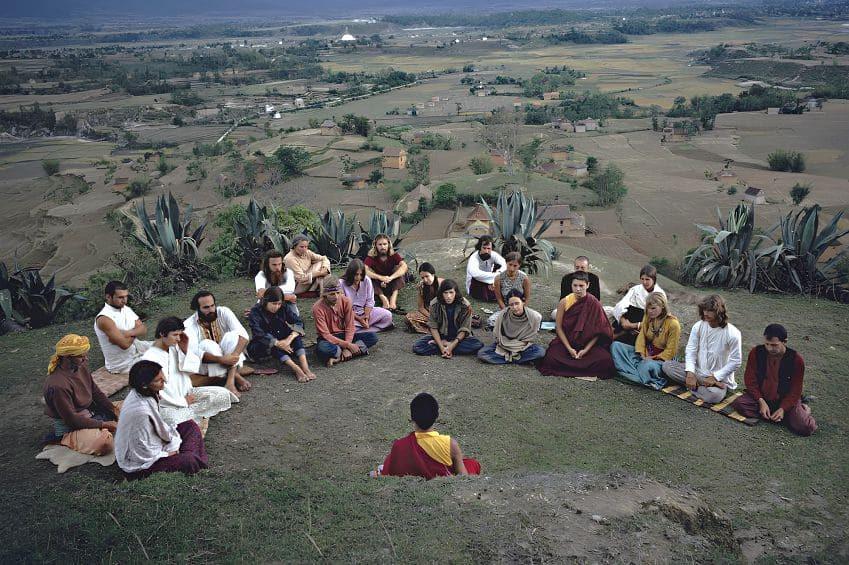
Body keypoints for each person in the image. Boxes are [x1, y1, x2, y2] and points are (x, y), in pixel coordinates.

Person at [115, 360, 208, 479]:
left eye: (162, 376)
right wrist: (168, 453)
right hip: (140, 466)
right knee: (188, 460)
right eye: (159, 380)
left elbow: (158, 427)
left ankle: (190, 457)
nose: (164, 381)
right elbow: (141, 453)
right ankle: (191, 460)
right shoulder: (140, 412)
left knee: (190, 425)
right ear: (144, 385)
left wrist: (171, 444)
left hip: (154, 445)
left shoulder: (144, 393)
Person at [141, 317, 236, 426]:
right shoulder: (149, 358)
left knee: (222, 394)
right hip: (167, 404)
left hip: (188, 393)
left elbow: (192, 369)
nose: (178, 339)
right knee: (173, 419)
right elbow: (157, 390)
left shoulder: (174, 348)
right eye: (175, 335)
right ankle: (188, 413)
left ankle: (190, 412)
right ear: (162, 334)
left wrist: (185, 349)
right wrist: (182, 402)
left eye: (180, 335)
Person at [732, 324, 817, 436]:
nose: (769, 348)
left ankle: (801, 411)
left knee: (806, 427)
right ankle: (778, 415)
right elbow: (750, 380)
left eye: (774, 345)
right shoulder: (756, 352)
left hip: (785, 400)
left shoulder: (796, 360)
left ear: (784, 341)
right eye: (767, 344)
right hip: (762, 398)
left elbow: (796, 390)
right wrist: (761, 401)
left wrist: (783, 408)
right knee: (739, 404)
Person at [42, 334, 118, 456]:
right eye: (81, 356)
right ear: (67, 358)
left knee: (129, 407)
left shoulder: (80, 366)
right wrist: (103, 424)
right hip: (73, 426)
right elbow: (72, 420)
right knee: (105, 444)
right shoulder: (57, 385)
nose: (85, 359)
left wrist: (114, 409)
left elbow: (96, 393)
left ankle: (100, 427)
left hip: (92, 413)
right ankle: (67, 439)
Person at [376, 392, 481, 479]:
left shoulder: (399, 445)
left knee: (391, 458)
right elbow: (463, 478)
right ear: (437, 417)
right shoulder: (450, 444)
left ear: (412, 418)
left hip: (411, 474)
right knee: (472, 463)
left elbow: (392, 470)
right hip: (441, 479)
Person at [661, 295, 742, 403]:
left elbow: (736, 361)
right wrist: (690, 373)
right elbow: (691, 351)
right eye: (704, 310)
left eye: (710, 310)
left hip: (717, 378)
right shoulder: (698, 326)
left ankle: (692, 385)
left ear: (719, 311)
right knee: (667, 366)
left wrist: (715, 378)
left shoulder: (732, 333)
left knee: (714, 396)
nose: (706, 313)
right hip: (696, 371)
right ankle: (695, 384)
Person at [537, 272, 615, 378]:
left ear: (587, 285)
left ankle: (574, 365)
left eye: (581, 286)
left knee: (606, 360)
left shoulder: (594, 302)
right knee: (551, 358)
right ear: (571, 286)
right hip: (566, 342)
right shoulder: (564, 302)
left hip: (587, 345)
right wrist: (569, 348)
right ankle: (582, 367)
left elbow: (599, 331)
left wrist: (585, 350)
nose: (578, 289)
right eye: (575, 285)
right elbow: (558, 327)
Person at [183, 291, 254, 398]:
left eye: (212, 305)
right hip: (206, 364)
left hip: (230, 357)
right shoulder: (188, 325)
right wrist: (221, 360)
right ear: (197, 309)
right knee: (207, 344)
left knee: (233, 336)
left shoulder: (223, 312)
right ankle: (236, 375)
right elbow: (195, 354)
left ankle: (229, 382)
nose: (211, 310)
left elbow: (244, 335)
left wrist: (232, 356)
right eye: (206, 307)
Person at [611, 292, 680, 390]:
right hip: (646, 353)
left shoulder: (673, 324)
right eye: (648, 308)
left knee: (647, 366)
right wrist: (643, 354)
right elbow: (641, 337)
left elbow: (671, 351)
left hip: (662, 359)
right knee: (616, 346)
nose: (650, 311)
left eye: (653, 308)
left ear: (663, 307)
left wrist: (652, 358)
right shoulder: (648, 317)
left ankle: (635, 372)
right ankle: (639, 372)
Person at [247, 288, 316, 383]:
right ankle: (296, 368)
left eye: (279, 304)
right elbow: (258, 333)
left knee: (296, 335)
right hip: (262, 344)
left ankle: (305, 367)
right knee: (271, 343)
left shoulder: (283, 307)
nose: (277, 307)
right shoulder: (255, 312)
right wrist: (278, 343)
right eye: (274, 304)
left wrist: (290, 338)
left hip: (282, 336)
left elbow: (298, 322)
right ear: (266, 301)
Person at [312, 276, 379, 367]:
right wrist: (348, 345)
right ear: (324, 294)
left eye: (338, 293)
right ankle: (356, 351)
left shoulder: (346, 301)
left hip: (345, 335)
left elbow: (350, 327)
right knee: (322, 348)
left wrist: (347, 347)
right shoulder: (317, 308)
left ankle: (339, 357)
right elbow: (325, 334)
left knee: (373, 336)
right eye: (332, 294)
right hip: (328, 339)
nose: (336, 297)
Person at [413, 279, 484, 357]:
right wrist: (441, 347)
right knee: (418, 347)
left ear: (455, 293)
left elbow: (465, 328)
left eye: (451, 292)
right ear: (441, 293)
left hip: (458, 337)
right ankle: (445, 348)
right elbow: (433, 327)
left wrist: (451, 345)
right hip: (442, 335)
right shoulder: (435, 304)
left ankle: (446, 346)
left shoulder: (465, 305)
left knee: (478, 345)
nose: (448, 296)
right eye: (445, 293)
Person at [94, 281, 152, 374]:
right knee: (165, 360)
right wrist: (136, 330)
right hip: (123, 364)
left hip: (137, 349)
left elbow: (143, 329)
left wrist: (127, 333)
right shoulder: (104, 319)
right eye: (120, 297)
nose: (125, 300)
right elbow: (125, 345)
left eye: (126, 296)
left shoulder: (125, 309)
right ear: (108, 297)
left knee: (169, 345)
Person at [478, 291, 546, 365]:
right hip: (504, 344)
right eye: (511, 305)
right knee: (482, 353)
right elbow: (498, 335)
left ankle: (507, 358)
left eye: (517, 303)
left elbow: (530, 337)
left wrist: (516, 344)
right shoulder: (503, 315)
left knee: (540, 352)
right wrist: (506, 343)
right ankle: (518, 359)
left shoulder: (534, 316)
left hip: (523, 346)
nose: (514, 307)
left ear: (523, 302)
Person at [609, 265, 666, 346]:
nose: (644, 282)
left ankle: (622, 334)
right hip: (629, 317)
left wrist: (634, 326)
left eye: (647, 279)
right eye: (642, 279)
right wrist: (623, 321)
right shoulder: (636, 289)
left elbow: (660, 316)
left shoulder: (660, 294)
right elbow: (622, 304)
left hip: (645, 323)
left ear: (653, 279)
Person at [340, 259, 394, 332]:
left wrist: (366, 316)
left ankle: (361, 330)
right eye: (356, 274)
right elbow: (343, 307)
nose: (358, 277)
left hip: (364, 311)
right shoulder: (341, 283)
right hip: (350, 314)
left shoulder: (366, 280)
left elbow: (370, 301)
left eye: (361, 274)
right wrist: (360, 319)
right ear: (350, 273)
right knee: (343, 324)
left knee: (387, 315)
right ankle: (369, 329)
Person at [364, 234, 408, 312]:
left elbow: (404, 267)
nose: (383, 247)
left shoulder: (394, 255)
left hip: (392, 282)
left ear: (388, 244)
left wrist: (390, 278)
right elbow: (364, 270)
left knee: (398, 269)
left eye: (385, 244)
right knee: (368, 277)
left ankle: (393, 300)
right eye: (380, 244)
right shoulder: (371, 257)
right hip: (378, 284)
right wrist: (380, 278)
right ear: (375, 245)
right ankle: (383, 299)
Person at [488, 251, 531, 327]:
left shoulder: (524, 278)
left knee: (535, 320)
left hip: (521, 309)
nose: (512, 268)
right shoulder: (499, 278)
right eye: (510, 264)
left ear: (519, 265)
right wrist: (507, 311)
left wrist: (520, 311)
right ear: (506, 263)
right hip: (506, 309)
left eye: (515, 266)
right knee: (491, 321)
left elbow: (527, 299)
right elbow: (499, 299)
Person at [254, 249, 299, 318]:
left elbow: (290, 289)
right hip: (267, 306)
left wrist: (268, 293)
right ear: (267, 264)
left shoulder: (288, 272)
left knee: (293, 315)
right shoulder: (261, 274)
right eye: (274, 265)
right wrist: (288, 297)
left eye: (279, 264)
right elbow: (260, 293)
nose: (277, 267)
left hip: (285, 305)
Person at [405, 262, 444, 334]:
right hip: (430, 314)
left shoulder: (443, 284)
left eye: (427, 276)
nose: (425, 280)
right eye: (423, 277)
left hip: (444, 313)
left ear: (433, 274)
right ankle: (435, 328)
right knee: (409, 317)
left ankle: (439, 328)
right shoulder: (421, 286)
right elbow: (421, 307)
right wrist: (431, 317)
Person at [465, 235, 506, 302]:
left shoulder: (493, 254)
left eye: (489, 248)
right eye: (484, 248)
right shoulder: (474, 258)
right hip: (476, 283)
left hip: (491, 279)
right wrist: (495, 278)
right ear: (479, 247)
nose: (487, 251)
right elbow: (476, 274)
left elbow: (504, 264)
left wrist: (495, 277)